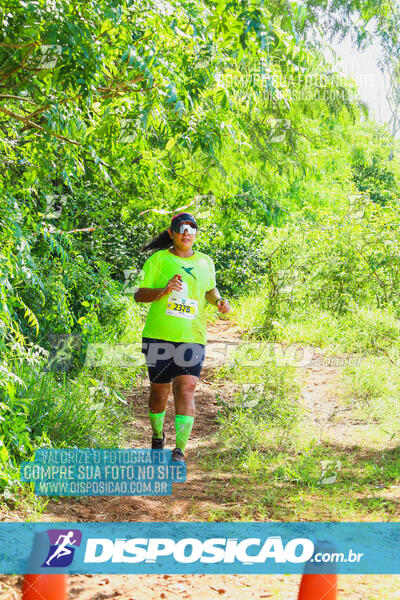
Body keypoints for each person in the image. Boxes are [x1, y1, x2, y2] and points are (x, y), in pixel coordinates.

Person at [134, 212, 231, 463]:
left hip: (192, 337)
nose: (187, 233)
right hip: (158, 336)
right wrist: (163, 290)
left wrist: (218, 300)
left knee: (186, 389)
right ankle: (157, 435)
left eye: (192, 228)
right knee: (158, 394)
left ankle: (179, 450)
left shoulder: (205, 262)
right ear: (171, 233)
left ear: (196, 233)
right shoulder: (158, 260)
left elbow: (209, 289)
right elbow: (139, 294)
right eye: (181, 228)